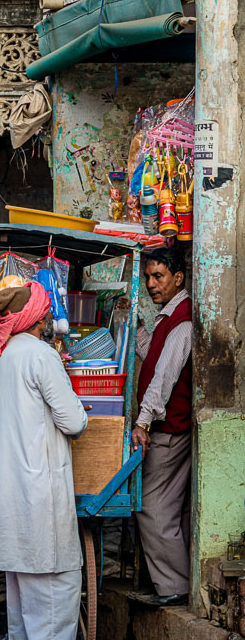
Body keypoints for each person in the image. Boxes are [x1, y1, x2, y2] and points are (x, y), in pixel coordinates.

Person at [0, 282, 88, 640]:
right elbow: (74, 421)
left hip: (14, 491)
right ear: (37, 319)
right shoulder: (42, 356)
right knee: (55, 594)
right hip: (40, 491)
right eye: (47, 313)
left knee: (23, 598)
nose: (51, 319)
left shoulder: (4, 358)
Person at [130, 247, 192, 608]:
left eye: (159, 277)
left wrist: (143, 421)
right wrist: (132, 327)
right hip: (168, 427)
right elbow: (151, 354)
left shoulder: (181, 322)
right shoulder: (166, 318)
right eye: (148, 277)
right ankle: (173, 581)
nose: (152, 284)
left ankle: (175, 585)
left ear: (177, 279)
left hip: (169, 429)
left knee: (152, 506)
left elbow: (164, 377)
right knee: (165, 507)